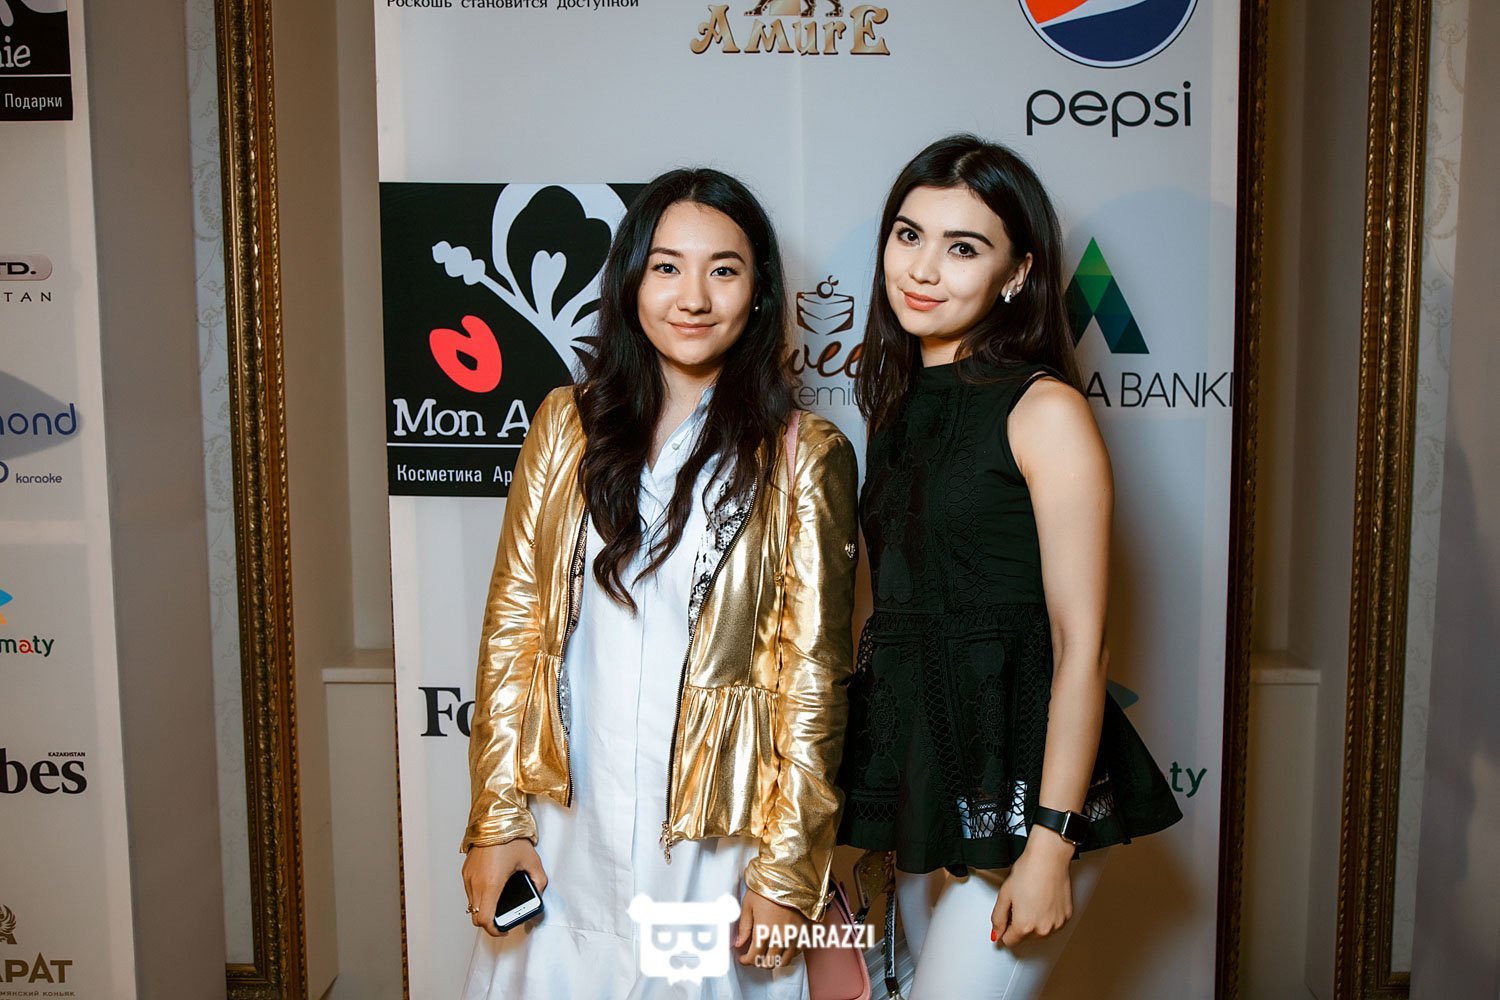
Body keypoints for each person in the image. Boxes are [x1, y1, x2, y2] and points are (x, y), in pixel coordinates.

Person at [460, 167, 860, 1000]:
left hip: (713, 843)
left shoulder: (805, 454)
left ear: (759, 291)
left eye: (724, 269)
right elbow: (514, 626)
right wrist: (496, 821)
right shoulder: (565, 425)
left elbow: (814, 678)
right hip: (568, 829)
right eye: (667, 267)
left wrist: (788, 870)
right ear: (632, 281)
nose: (694, 297)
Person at [835, 134, 1183, 999]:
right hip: (928, 780)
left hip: (1029, 788)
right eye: (909, 235)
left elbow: (1081, 644)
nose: (923, 269)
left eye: (964, 248)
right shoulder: (893, 409)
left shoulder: (1043, 408)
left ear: (1017, 274)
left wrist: (1053, 842)